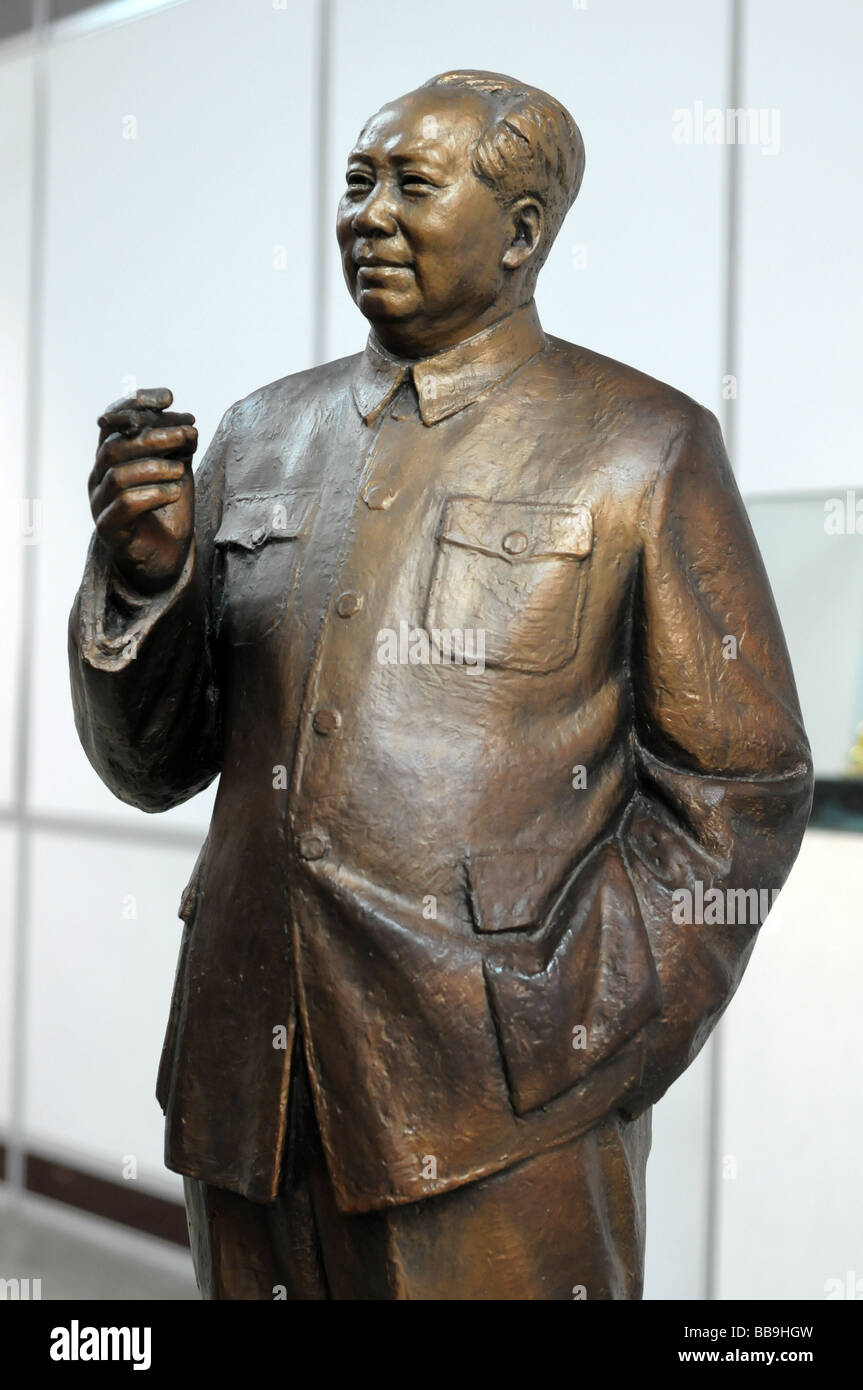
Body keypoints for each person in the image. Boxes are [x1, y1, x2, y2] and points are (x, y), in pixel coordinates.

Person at [69, 70, 812, 1299]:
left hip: (494, 1118)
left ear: (521, 231)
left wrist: (570, 1028)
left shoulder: (640, 442)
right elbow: (154, 762)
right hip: (248, 1090)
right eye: (357, 181)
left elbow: (739, 784)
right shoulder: (260, 432)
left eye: (413, 184)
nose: (369, 212)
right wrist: (143, 582)